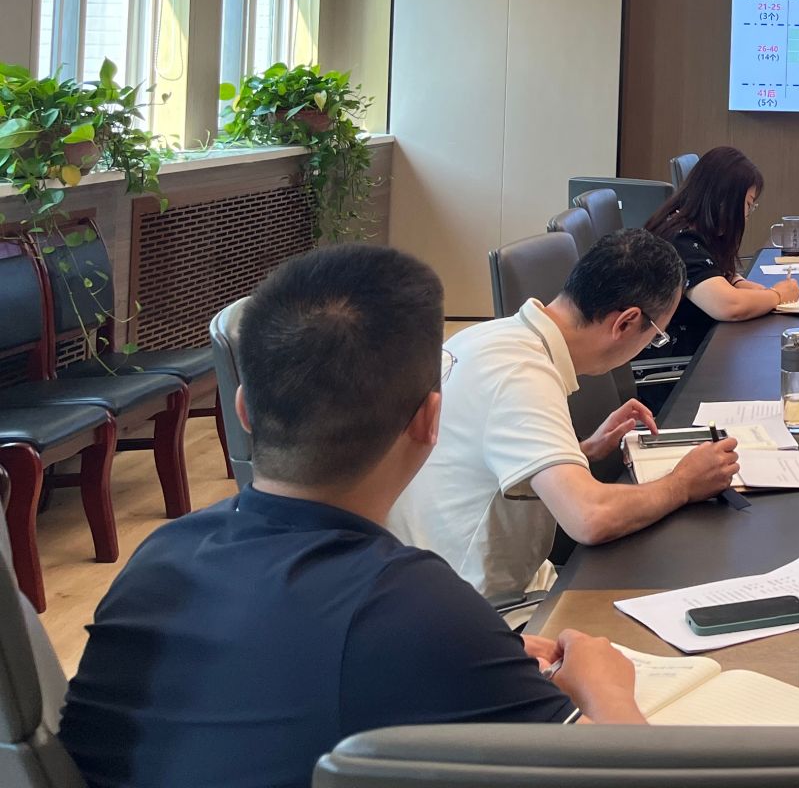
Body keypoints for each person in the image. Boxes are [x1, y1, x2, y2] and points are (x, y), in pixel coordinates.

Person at [60, 245, 648, 788]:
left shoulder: (156, 560)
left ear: (243, 410)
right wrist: (606, 688)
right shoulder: (420, 607)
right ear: (430, 422)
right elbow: (635, 777)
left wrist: (475, 658)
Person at [389, 229, 738, 605]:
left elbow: (484, 459)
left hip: (418, 577)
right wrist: (683, 484)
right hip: (477, 605)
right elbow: (589, 518)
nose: (649, 345)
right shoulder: (522, 376)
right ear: (625, 323)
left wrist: (579, 451)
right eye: (655, 336)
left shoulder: (486, 338)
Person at [644, 145, 799, 359]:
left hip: (703, 347)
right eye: (748, 204)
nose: (747, 214)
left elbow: (709, 269)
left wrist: (738, 283)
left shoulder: (689, 225)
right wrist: (778, 296)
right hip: (677, 362)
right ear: (723, 200)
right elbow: (728, 306)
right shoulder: (681, 241)